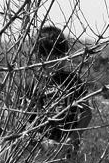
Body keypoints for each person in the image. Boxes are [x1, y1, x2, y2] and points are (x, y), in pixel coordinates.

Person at [30, 23, 90, 155]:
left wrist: (73, 138)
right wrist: (43, 141)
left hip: (68, 150)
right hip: (40, 151)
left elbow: (86, 112)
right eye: (53, 56)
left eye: (61, 55)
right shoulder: (34, 84)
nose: (59, 60)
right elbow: (26, 122)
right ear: (40, 57)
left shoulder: (73, 80)